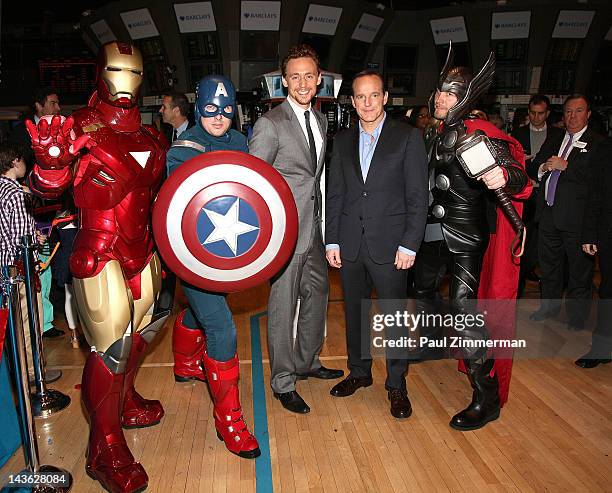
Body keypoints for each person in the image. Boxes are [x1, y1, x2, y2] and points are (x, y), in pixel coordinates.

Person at [27, 41, 169, 493]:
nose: (124, 81)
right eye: (115, 71)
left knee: (142, 332)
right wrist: (50, 165)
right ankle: (103, 445)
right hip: (100, 248)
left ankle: (123, 403)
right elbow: (50, 190)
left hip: (142, 250)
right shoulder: (79, 128)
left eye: (132, 72)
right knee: (110, 346)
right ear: (101, 73)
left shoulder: (150, 135)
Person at [414, 49, 530, 431]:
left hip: (465, 237)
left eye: (451, 94)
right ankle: (432, 344)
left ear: (465, 98)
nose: (442, 99)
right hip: (433, 232)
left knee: (466, 312)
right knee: (424, 289)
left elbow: (516, 175)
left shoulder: (475, 136)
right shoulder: (436, 131)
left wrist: (504, 177)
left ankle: (487, 396)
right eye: (440, 93)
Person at [166, 75, 260, 459]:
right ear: (197, 107)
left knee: (206, 311)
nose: (218, 117)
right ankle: (229, 422)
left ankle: (187, 360)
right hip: (193, 256)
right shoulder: (181, 151)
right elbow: (176, 213)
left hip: (230, 253)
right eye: (209, 109)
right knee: (221, 326)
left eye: (225, 110)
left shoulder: (241, 143)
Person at [325, 71, 428, 418]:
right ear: (352, 101)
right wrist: (332, 239)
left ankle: (396, 384)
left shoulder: (408, 137)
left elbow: (418, 196)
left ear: (385, 98)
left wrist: (410, 244)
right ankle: (360, 372)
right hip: (350, 243)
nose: (367, 103)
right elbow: (335, 194)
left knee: (395, 316)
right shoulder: (341, 140)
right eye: (360, 97)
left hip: (391, 247)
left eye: (374, 95)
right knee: (354, 312)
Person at [249, 44, 343, 414]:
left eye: (309, 76)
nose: (302, 83)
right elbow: (255, 183)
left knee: (316, 299)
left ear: (319, 79)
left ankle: (307, 362)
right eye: (294, 77)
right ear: (283, 81)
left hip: (316, 230)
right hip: (286, 234)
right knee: (282, 307)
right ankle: (283, 381)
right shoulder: (269, 124)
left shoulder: (320, 120)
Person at [530, 94, 605, 330]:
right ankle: (548, 308)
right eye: (568, 112)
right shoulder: (554, 137)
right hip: (549, 214)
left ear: (588, 114)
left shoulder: (598, 143)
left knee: (578, 272)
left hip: (578, 220)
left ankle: (576, 318)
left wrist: (567, 167)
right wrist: (543, 167)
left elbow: (598, 182)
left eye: (579, 111)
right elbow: (533, 167)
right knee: (549, 267)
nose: (573, 116)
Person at [512, 95, 564, 296]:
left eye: (540, 113)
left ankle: (549, 288)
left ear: (548, 114)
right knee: (525, 239)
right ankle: (519, 286)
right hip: (526, 195)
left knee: (548, 244)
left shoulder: (558, 135)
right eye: (532, 113)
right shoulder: (517, 134)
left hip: (549, 195)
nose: (536, 117)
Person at [578, 137, 612, 368]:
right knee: (608, 291)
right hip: (609, 231)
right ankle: (601, 348)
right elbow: (596, 192)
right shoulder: (606, 149)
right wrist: (590, 233)